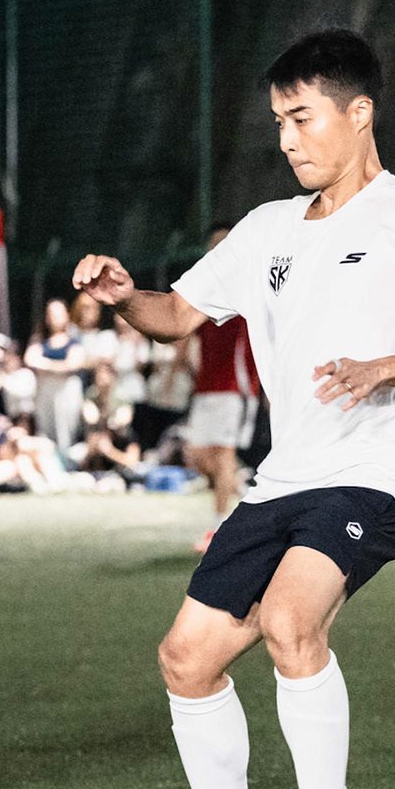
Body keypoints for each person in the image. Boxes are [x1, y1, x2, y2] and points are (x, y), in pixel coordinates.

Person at [73, 28, 395, 789]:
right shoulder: (265, 231)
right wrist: (122, 297)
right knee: (187, 657)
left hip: (373, 473)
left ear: (359, 112)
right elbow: (178, 315)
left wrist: (380, 367)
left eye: (302, 118)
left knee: (294, 623)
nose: (287, 139)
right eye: (278, 122)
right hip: (284, 476)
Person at [184, 222, 264, 553]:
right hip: (206, 386)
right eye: (214, 244)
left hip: (237, 385)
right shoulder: (202, 289)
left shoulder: (249, 288)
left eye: (225, 243)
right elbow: (188, 333)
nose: (219, 249)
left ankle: (220, 526)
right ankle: (242, 486)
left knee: (224, 452)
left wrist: (266, 385)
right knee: (195, 454)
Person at [25, 298, 85, 455]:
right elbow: (30, 359)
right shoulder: (39, 339)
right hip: (45, 392)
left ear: (66, 315)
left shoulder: (75, 339)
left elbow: (73, 364)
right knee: (46, 432)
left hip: (66, 392)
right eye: (51, 313)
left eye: (58, 313)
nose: (54, 317)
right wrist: (59, 366)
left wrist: (46, 365)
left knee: (65, 433)